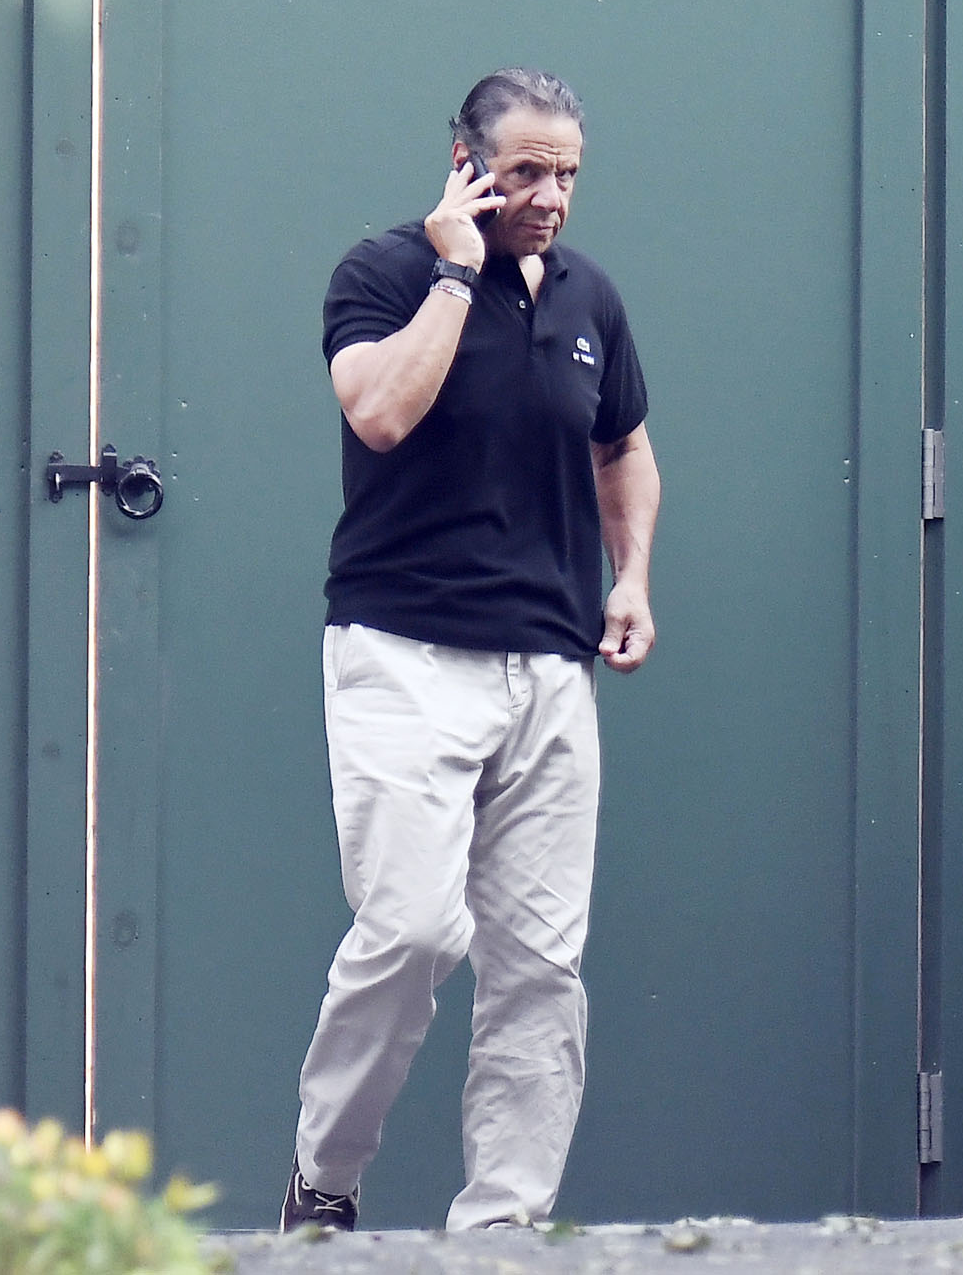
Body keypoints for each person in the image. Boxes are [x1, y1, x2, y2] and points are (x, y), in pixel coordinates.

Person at [282, 67, 660, 1234]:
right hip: (403, 651)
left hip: (548, 668)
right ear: (464, 158)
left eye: (568, 175)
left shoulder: (590, 297)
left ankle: (501, 1227)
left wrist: (631, 573)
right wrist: (456, 271)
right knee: (411, 931)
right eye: (526, 171)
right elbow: (380, 412)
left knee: (539, 966)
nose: (549, 195)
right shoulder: (384, 272)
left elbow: (623, 450)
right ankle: (324, 1179)